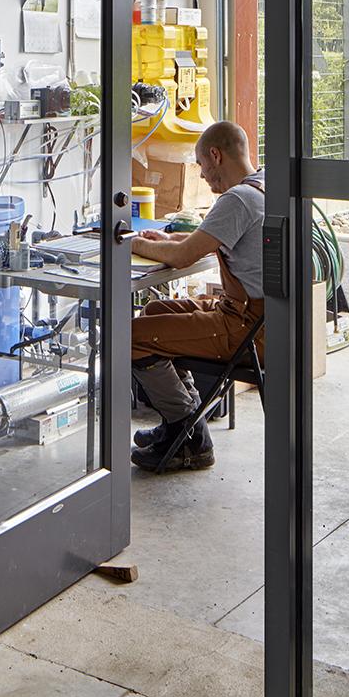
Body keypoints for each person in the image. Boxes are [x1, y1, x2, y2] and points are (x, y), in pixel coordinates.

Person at [129, 120, 264, 473]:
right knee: (156, 309)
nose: (203, 176)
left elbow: (184, 258)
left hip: (248, 327)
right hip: (258, 318)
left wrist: (132, 242)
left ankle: (187, 433)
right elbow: (197, 245)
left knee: (129, 336)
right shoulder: (261, 186)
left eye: (203, 167)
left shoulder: (238, 199)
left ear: (215, 156)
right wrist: (168, 240)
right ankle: (182, 425)